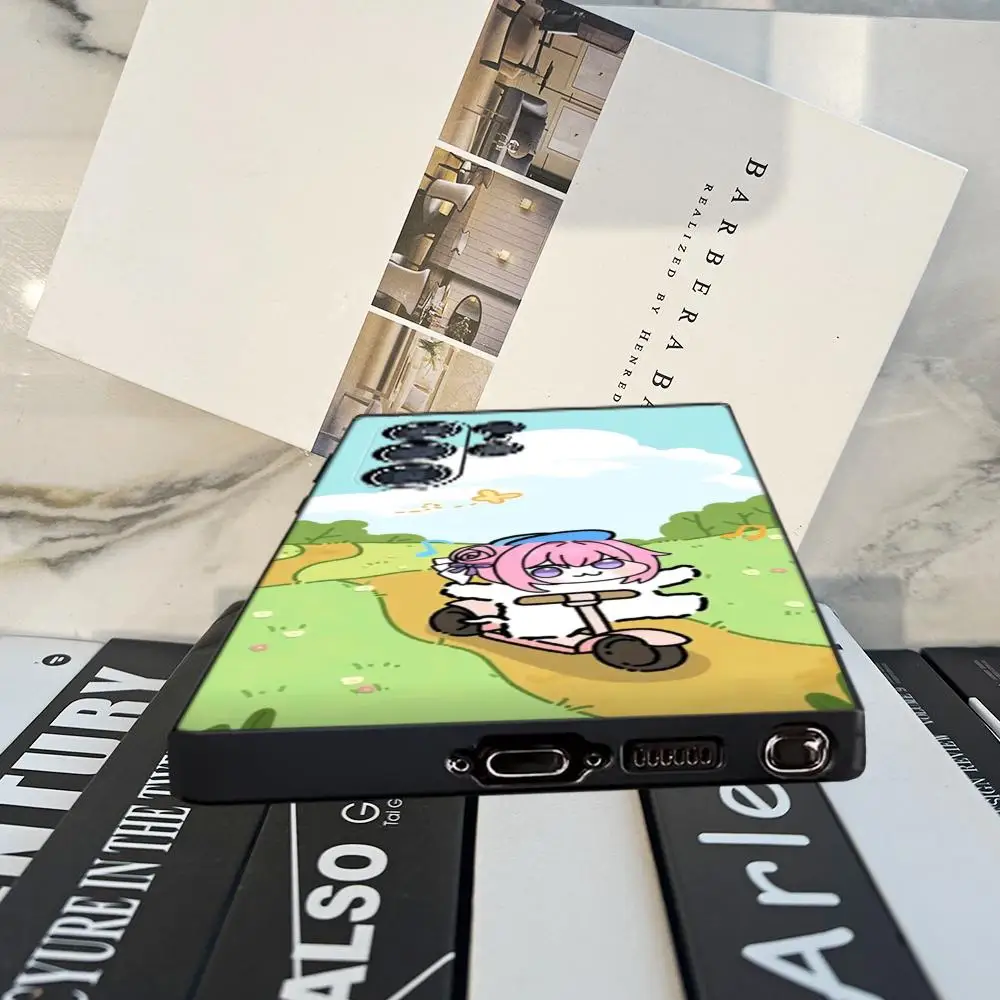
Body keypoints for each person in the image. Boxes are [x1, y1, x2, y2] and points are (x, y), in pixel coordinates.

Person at [431, 529, 706, 642]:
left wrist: (677, 574)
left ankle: (677, 605)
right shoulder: (520, 588)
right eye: (549, 569)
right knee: (540, 624)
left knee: (643, 603)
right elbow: (496, 591)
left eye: (607, 563)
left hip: (613, 601)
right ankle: (488, 622)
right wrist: (463, 589)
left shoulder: (622, 579)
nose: (583, 573)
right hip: (542, 610)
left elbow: (656, 579)